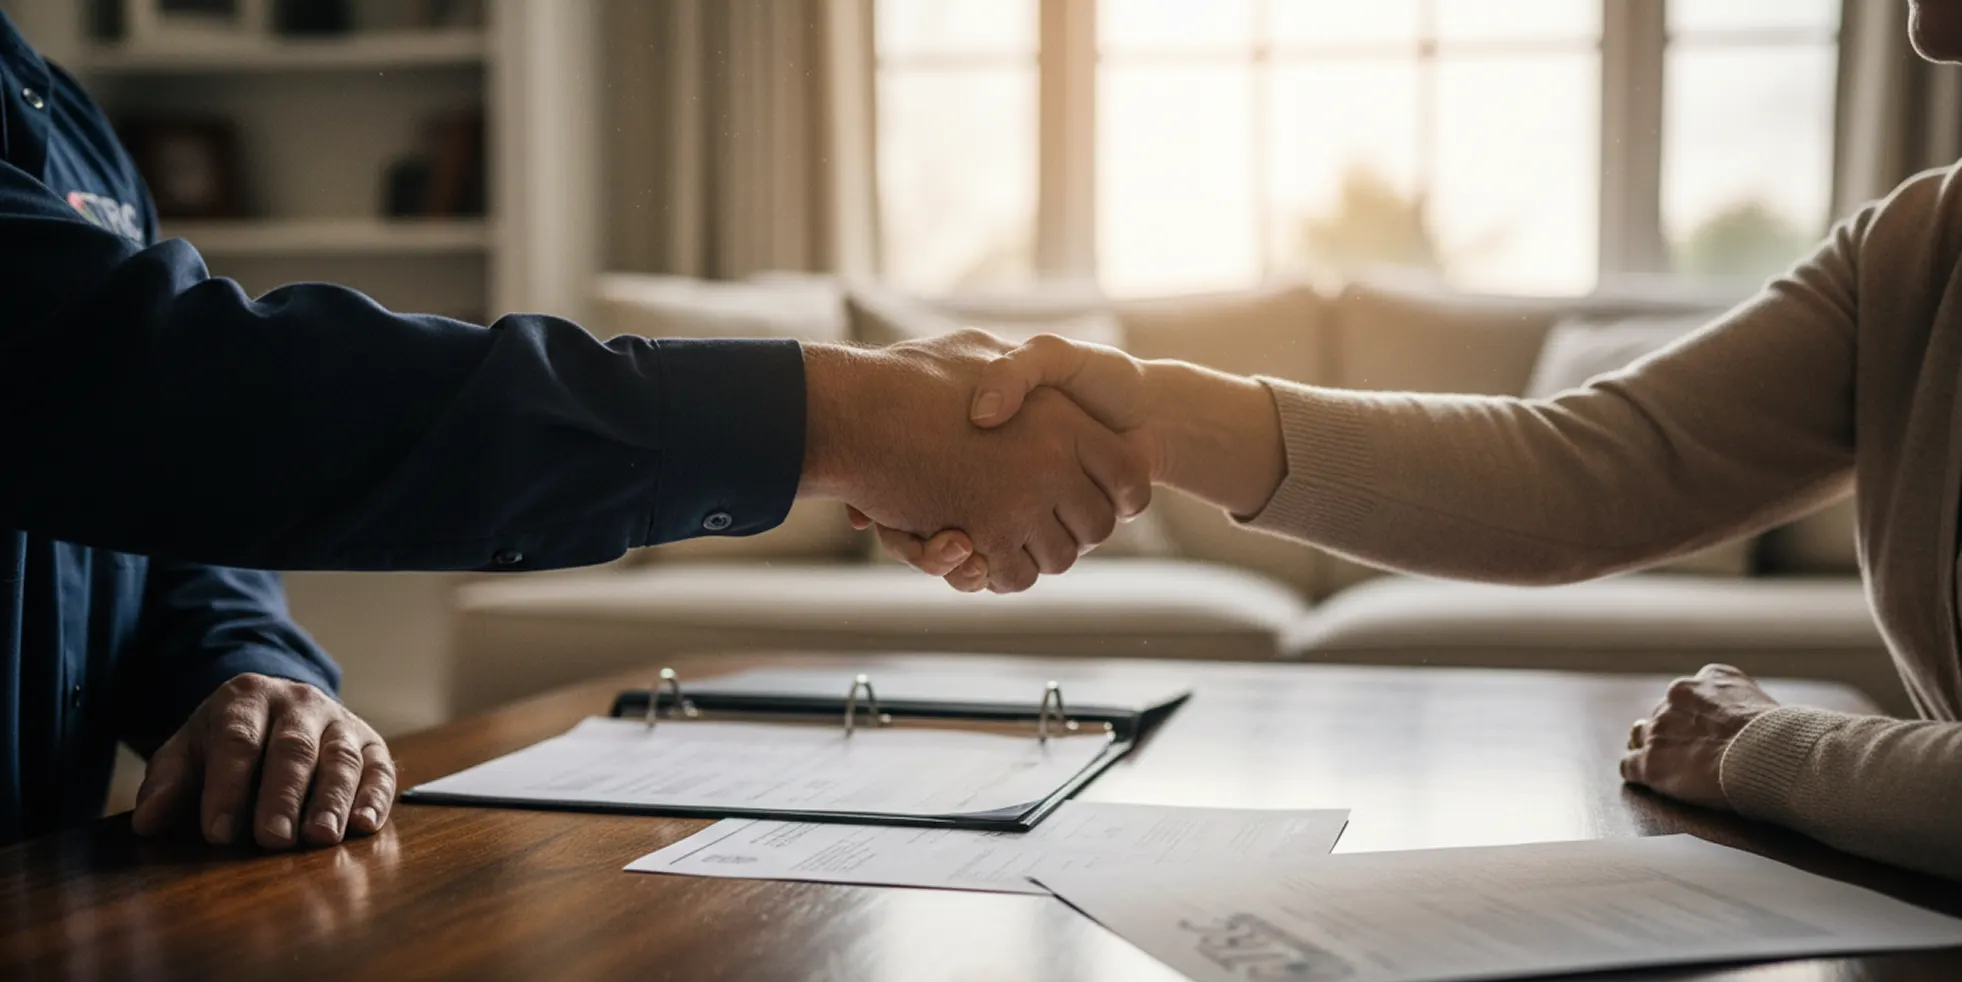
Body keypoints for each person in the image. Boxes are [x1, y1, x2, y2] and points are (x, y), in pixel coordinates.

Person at [866, 0, 1962, 883]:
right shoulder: (1918, 249)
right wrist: (1148, 412)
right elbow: (1589, 473)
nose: (1921, 26)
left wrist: (1765, 749)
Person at [0, 13, 1147, 849]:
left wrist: (249, 669)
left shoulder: (75, 128)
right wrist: (832, 415)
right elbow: (182, 384)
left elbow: (168, 498)